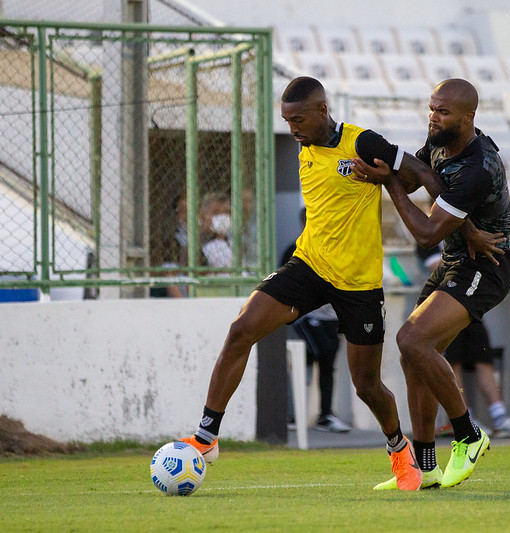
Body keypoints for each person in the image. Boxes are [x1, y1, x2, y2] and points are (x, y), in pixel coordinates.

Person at [181, 76, 451, 491]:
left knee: (366, 386)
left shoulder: (362, 143)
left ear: (323, 111)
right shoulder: (306, 147)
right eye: (288, 121)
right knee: (240, 330)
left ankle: (399, 450)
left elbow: (420, 173)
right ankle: (206, 437)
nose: (293, 129)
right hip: (309, 266)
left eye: (300, 119)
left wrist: (449, 220)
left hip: (358, 282)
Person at [352, 78, 510, 489]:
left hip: (486, 266)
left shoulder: (480, 165)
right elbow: (420, 181)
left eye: (442, 111)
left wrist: (388, 182)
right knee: (414, 356)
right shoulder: (440, 141)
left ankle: (469, 435)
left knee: (412, 340)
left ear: (468, 116)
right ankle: (425, 467)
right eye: (431, 108)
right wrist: (387, 171)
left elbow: (425, 232)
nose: (433, 117)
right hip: (455, 261)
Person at [418, 245, 510, 439]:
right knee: (453, 364)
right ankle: (465, 418)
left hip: (470, 305)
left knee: (483, 359)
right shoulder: (429, 238)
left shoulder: (465, 231)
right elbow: (442, 269)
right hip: (443, 310)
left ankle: (499, 416)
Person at [280, 208, 351, 433]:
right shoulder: (295, 250)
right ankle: (293, 415)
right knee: (314, 354)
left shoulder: (337, 246)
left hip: (331, 316)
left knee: (328, 362)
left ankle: (325, 415)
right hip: (307, 316)